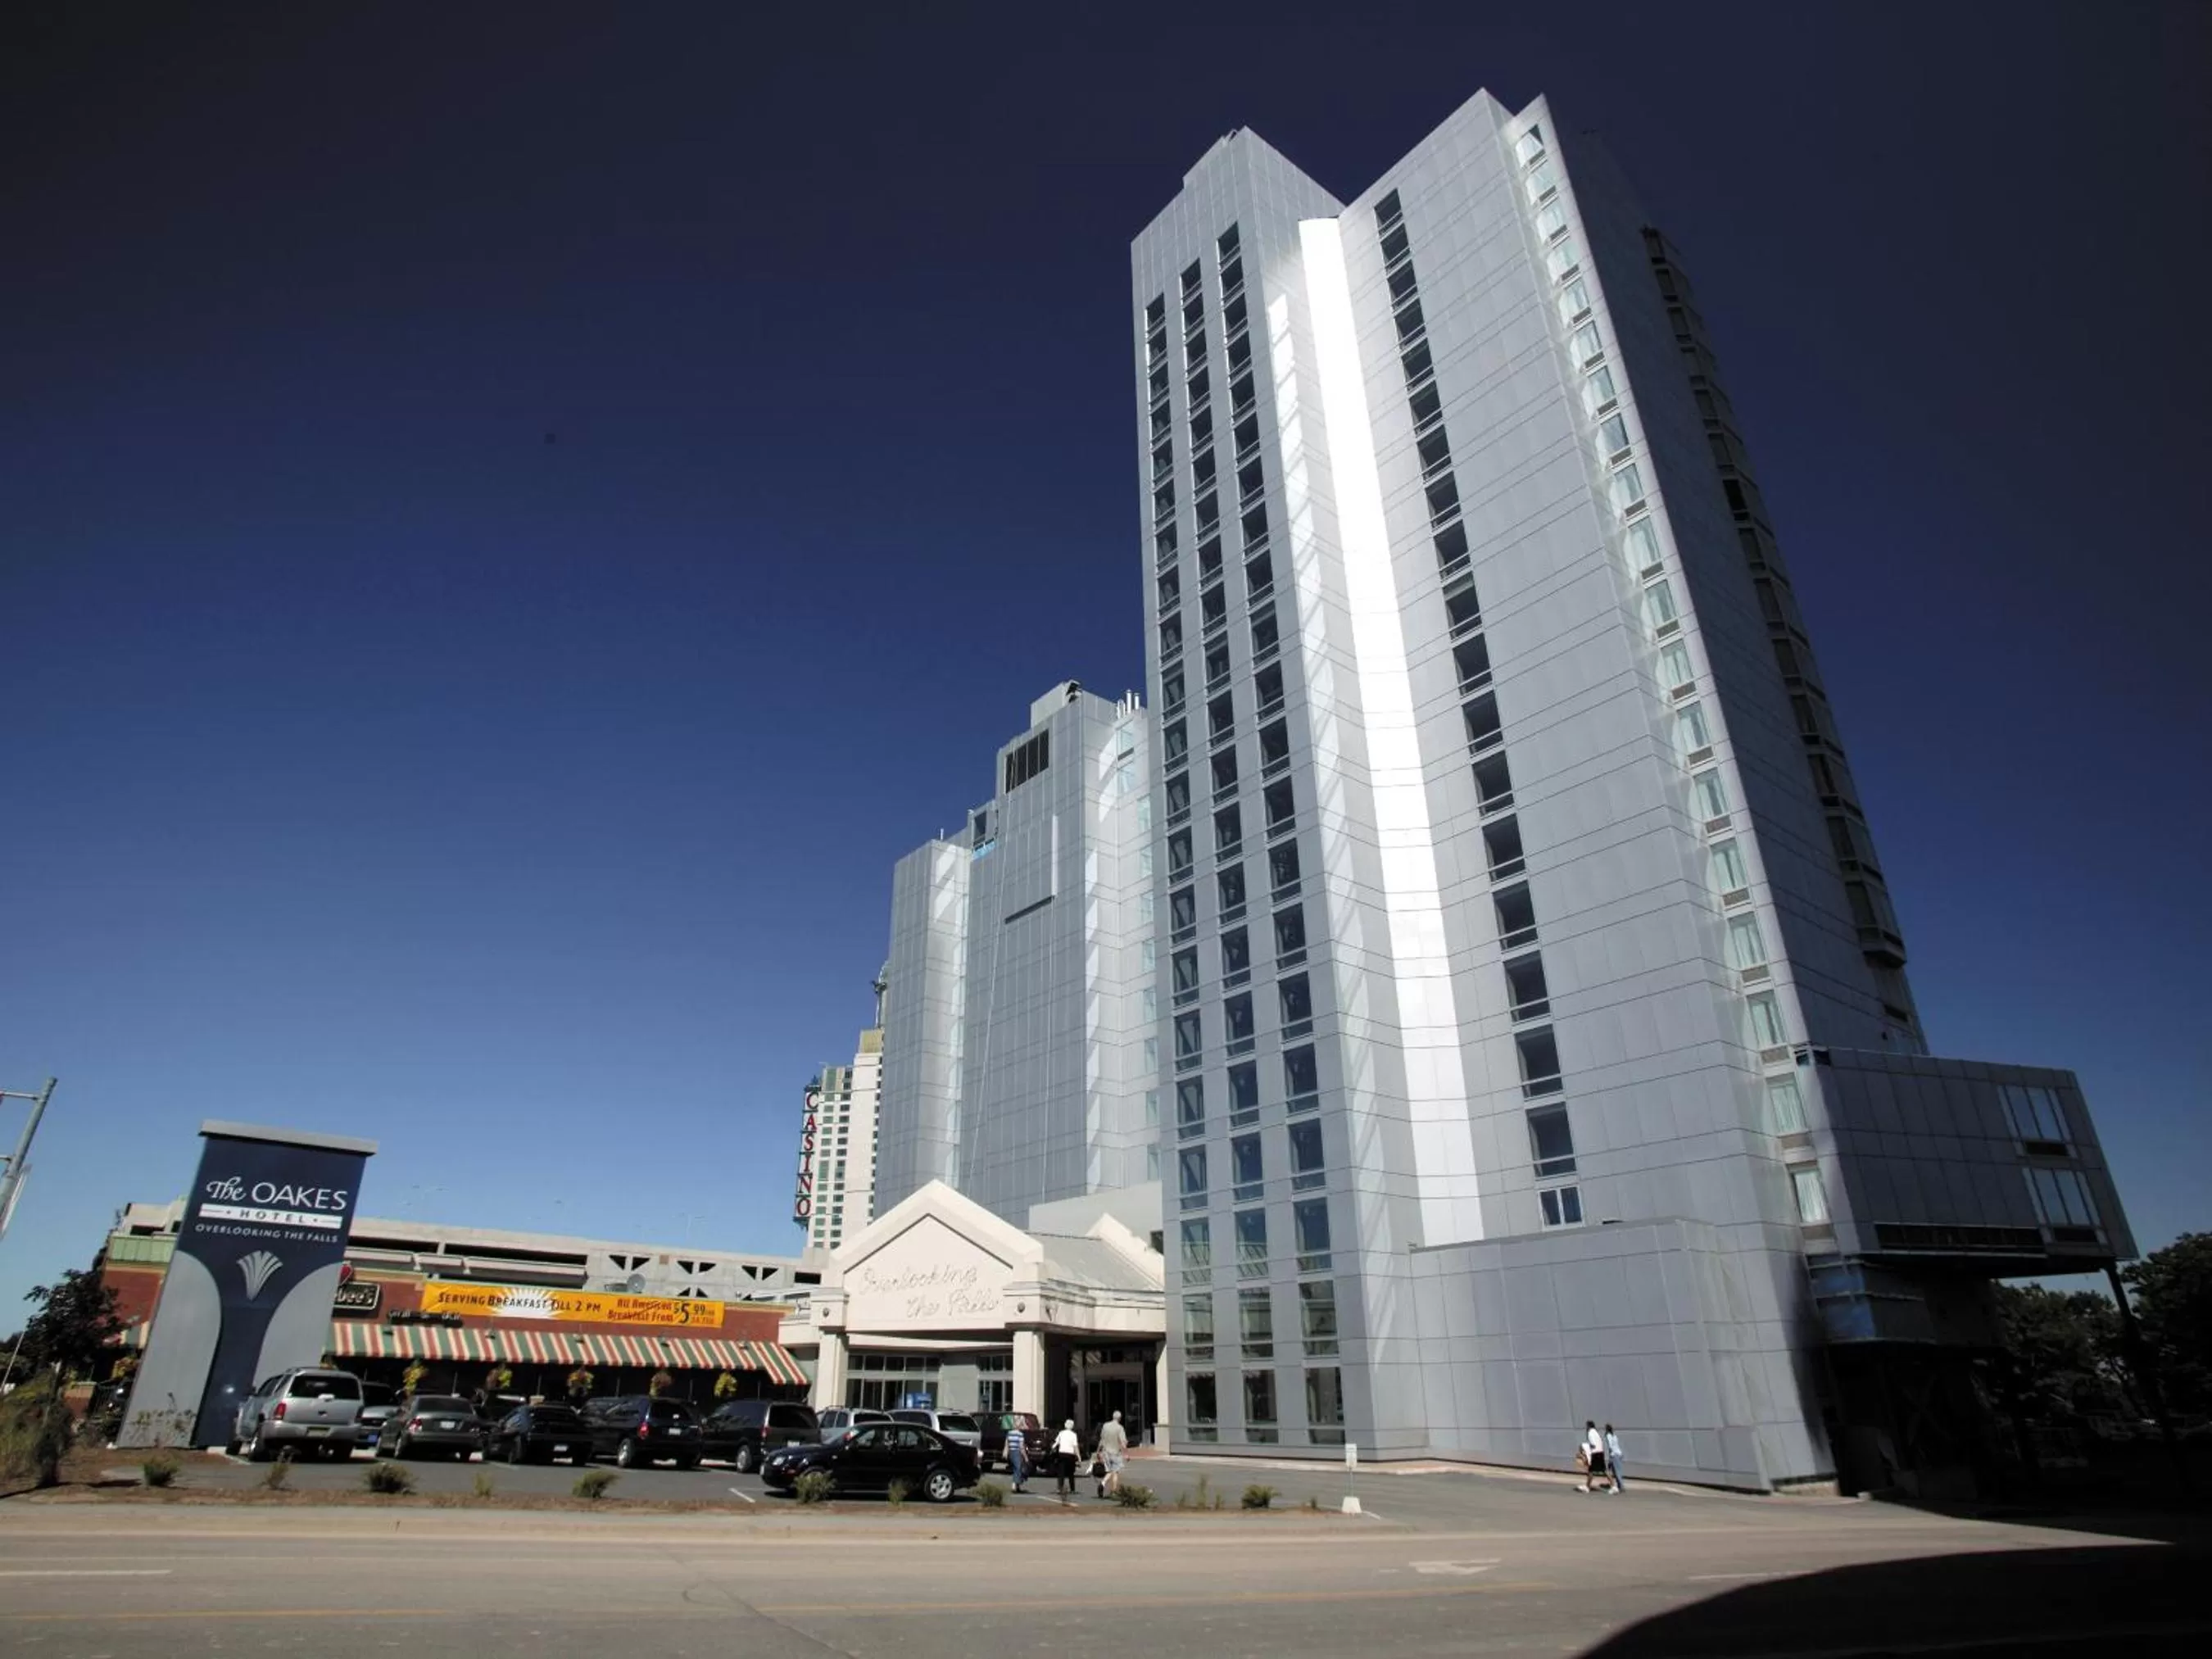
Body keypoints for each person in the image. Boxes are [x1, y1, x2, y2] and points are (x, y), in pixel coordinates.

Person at [1095, 1408, 1129, 1498]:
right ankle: (1113, 1491)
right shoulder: (1120, 1428)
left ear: (1113, 1417)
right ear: (1120, 1418)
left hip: (1106, 1452)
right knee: (1115, 1472)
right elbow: (1123, 1442)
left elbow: (1102, 1440)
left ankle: (1102, 1483)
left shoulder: (1105, 1426)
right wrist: (1126, 1454)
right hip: (1115, 1453)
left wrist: (1098, 1451)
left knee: (1110, 1471)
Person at [1052, 1419, 1081, 1503]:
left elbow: (1056, 1442)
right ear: (1072, 1426)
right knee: (1071, 1472)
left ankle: (1060, 1488)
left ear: (1065, 1425)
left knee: (1061, 1472)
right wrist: (1079, 1457)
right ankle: (1072, 1489)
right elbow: (1075, 1446)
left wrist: (1052, 1448)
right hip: (1070, 1454)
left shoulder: (1061, 1433)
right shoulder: (1074, 1435)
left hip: (1062, 1453)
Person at [1580, 1421, 1607, 1494]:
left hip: (1595, 1453)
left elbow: (1593, 1445)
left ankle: (1587, 1487)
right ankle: (1614, 1486)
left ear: (1589, 1426)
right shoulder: (1596, 1432)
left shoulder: (1590, 1433)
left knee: (1591, 1471)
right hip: (1601, 1452)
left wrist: (1586, 1447)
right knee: (1603, 1470)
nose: (1586, 1428)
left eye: (1587, 1426)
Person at [1005, 1417, 1028, 1494]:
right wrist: (1026, 1457)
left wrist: (1006, 1452)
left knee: (1016, 1468)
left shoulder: (1009, 1433)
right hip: (1017, 1452)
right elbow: (1021, 1447)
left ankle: (1017, 1486)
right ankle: (1014, 1484)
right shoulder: (1020, 1434)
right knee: (1018, 1468)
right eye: (1021, 1425)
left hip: (1011, 1452)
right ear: (1019, 1426)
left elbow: (1007, 1443)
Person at [1603, 1424, 1625, 1494]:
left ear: (1607, 1429)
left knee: (1616, 1472)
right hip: (1619, 1454)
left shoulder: (1608, 1435)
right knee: (1618, 1471)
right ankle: (1619, 1486)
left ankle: (1621, 1487)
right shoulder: (1614, 1435)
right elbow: (1616, 1445)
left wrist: (1610, 1457)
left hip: (1614, 1455)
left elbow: (1610, 1446)